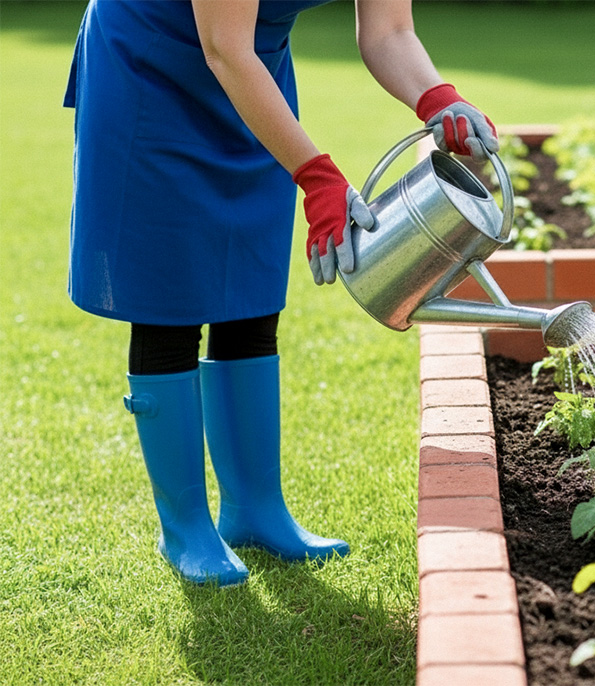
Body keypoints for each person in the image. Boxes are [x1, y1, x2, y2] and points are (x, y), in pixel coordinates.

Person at [65, 0, 499, 588]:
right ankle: (186, 527)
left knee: (251, 289)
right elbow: (223, 47)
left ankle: (255, 510)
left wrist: (436, 96)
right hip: (149, 68)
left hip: (254, 75)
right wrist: (316, 174)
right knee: (167, 298)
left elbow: (390, 30)